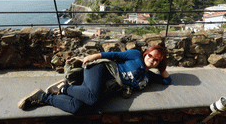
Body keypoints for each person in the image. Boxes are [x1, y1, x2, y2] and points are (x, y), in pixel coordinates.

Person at [17, 45, 172, 113]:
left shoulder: (149, 76)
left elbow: (166, 81)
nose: (152, 59)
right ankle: (63, 88)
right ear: (146, 54)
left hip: (106, 87)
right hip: (100, 69)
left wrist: (162, 68)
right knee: (91, 98)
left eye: (156, 60)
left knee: (77, 108)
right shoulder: (136, 55)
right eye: (150, 55)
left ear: (159, 62)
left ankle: (42, 97)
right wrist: (93, 56)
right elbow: (115, 55)